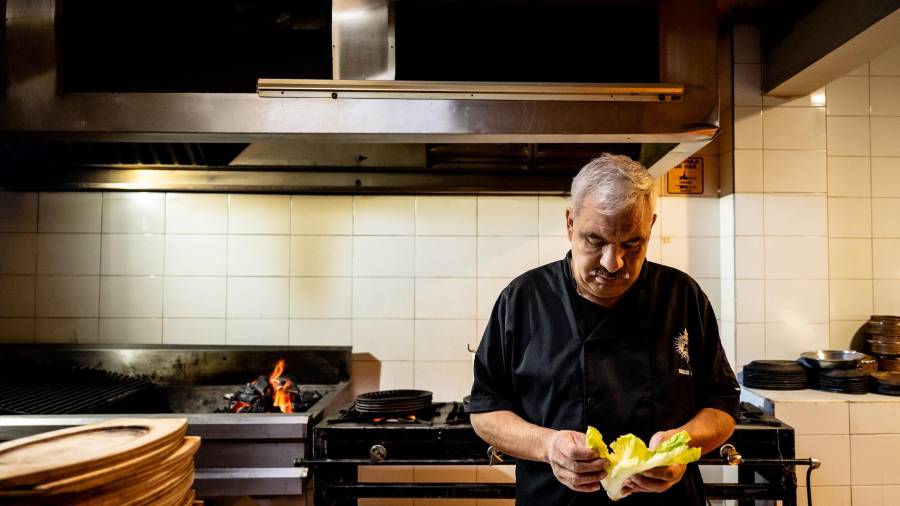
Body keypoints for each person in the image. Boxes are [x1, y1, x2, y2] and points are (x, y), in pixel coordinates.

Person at [469, 154, 740, 505]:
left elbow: (722, 406)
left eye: (632, 244)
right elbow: (485, 410)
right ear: (570, 224)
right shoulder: (524, 299)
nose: (614, 264)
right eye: (595, 241)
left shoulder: (681, 295)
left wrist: (682, 446)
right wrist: (548, 445)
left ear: (651, 226)